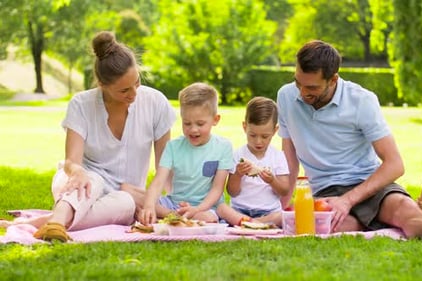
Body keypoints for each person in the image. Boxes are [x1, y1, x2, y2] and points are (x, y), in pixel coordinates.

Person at [276, 40, 422, 242]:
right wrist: (281, 205)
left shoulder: (361, 100)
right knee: (327, 226)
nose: (302, 93)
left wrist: (348, 200)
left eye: (311, 88)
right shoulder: (286, 97)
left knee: (405, 210)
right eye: (298, 83)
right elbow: (290, 158)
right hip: (326, 191)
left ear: (333, 80)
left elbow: (395, 164)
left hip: (369, 183)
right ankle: (373, 223)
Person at [0, 31, 177, 242]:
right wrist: (78, 172)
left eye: (137, 82)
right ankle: (56, 224)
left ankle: (50, 221)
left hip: (123, 197)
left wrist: (179, 202)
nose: (134, 94)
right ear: (102, 85)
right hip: (77, 184)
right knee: (92, 180)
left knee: (128, 204)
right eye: (124, 90)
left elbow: (164, 166)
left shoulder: (156, 103)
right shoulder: (81, 104)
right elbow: (71, 162)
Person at [138, 82, 233, 226]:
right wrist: (150, 206)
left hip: (205, 207)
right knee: (136, 197)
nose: (193, 130)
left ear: (215, 120)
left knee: (209, 218)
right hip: (174, 203)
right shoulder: (173, 147)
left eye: (200, 124)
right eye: (187, 123)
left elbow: (217, 189)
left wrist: (197, 209)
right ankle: (175, 216)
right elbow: (159, 181)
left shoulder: (223, 147)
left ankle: (175, 218)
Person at [216, 97, 290, 226]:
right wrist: (238, 175)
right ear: (245, 127)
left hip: (268, 212)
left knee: (283, 216)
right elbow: (232, 192)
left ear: (275, 130)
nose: (258, 141)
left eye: (265, 136)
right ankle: (253, 223)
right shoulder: (237, 154)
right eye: (253, 135)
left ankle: (251, 223)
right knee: (221, 208)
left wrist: (272, 181)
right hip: (240, 210)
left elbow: (284, 191)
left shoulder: (278, 156)